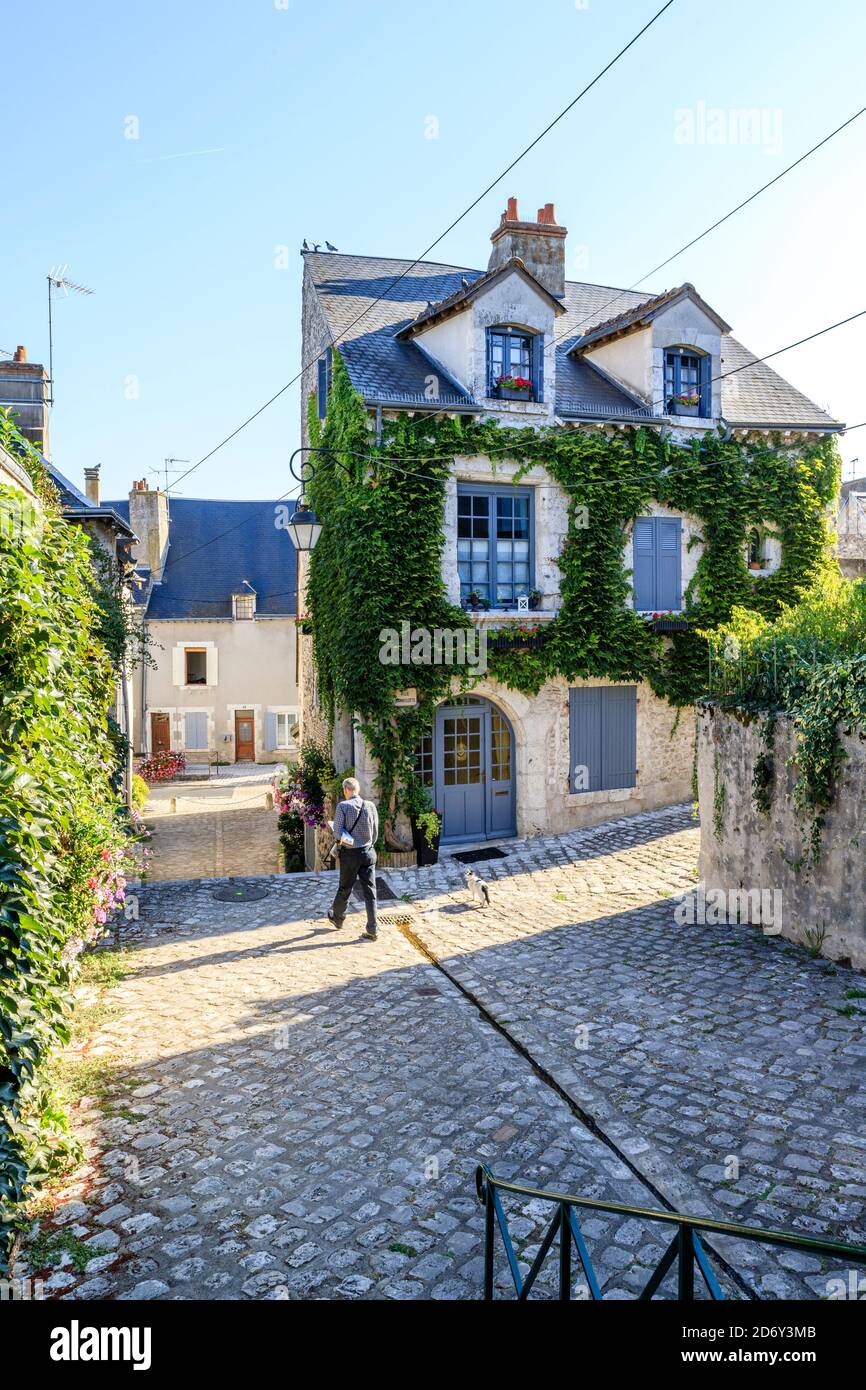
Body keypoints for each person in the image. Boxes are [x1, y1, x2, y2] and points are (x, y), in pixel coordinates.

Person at [327, 778, 380, 940]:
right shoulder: (370, 806)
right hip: (368, 852)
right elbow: (376, 832)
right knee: (370, 892)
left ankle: (338, 918)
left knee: (345, 887)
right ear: (357, 790)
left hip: (350, 855)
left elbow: (337, 833)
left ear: (345, 790)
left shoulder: (343, 806)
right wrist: (367, 844)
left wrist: (347, 838)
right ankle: (373, 929)